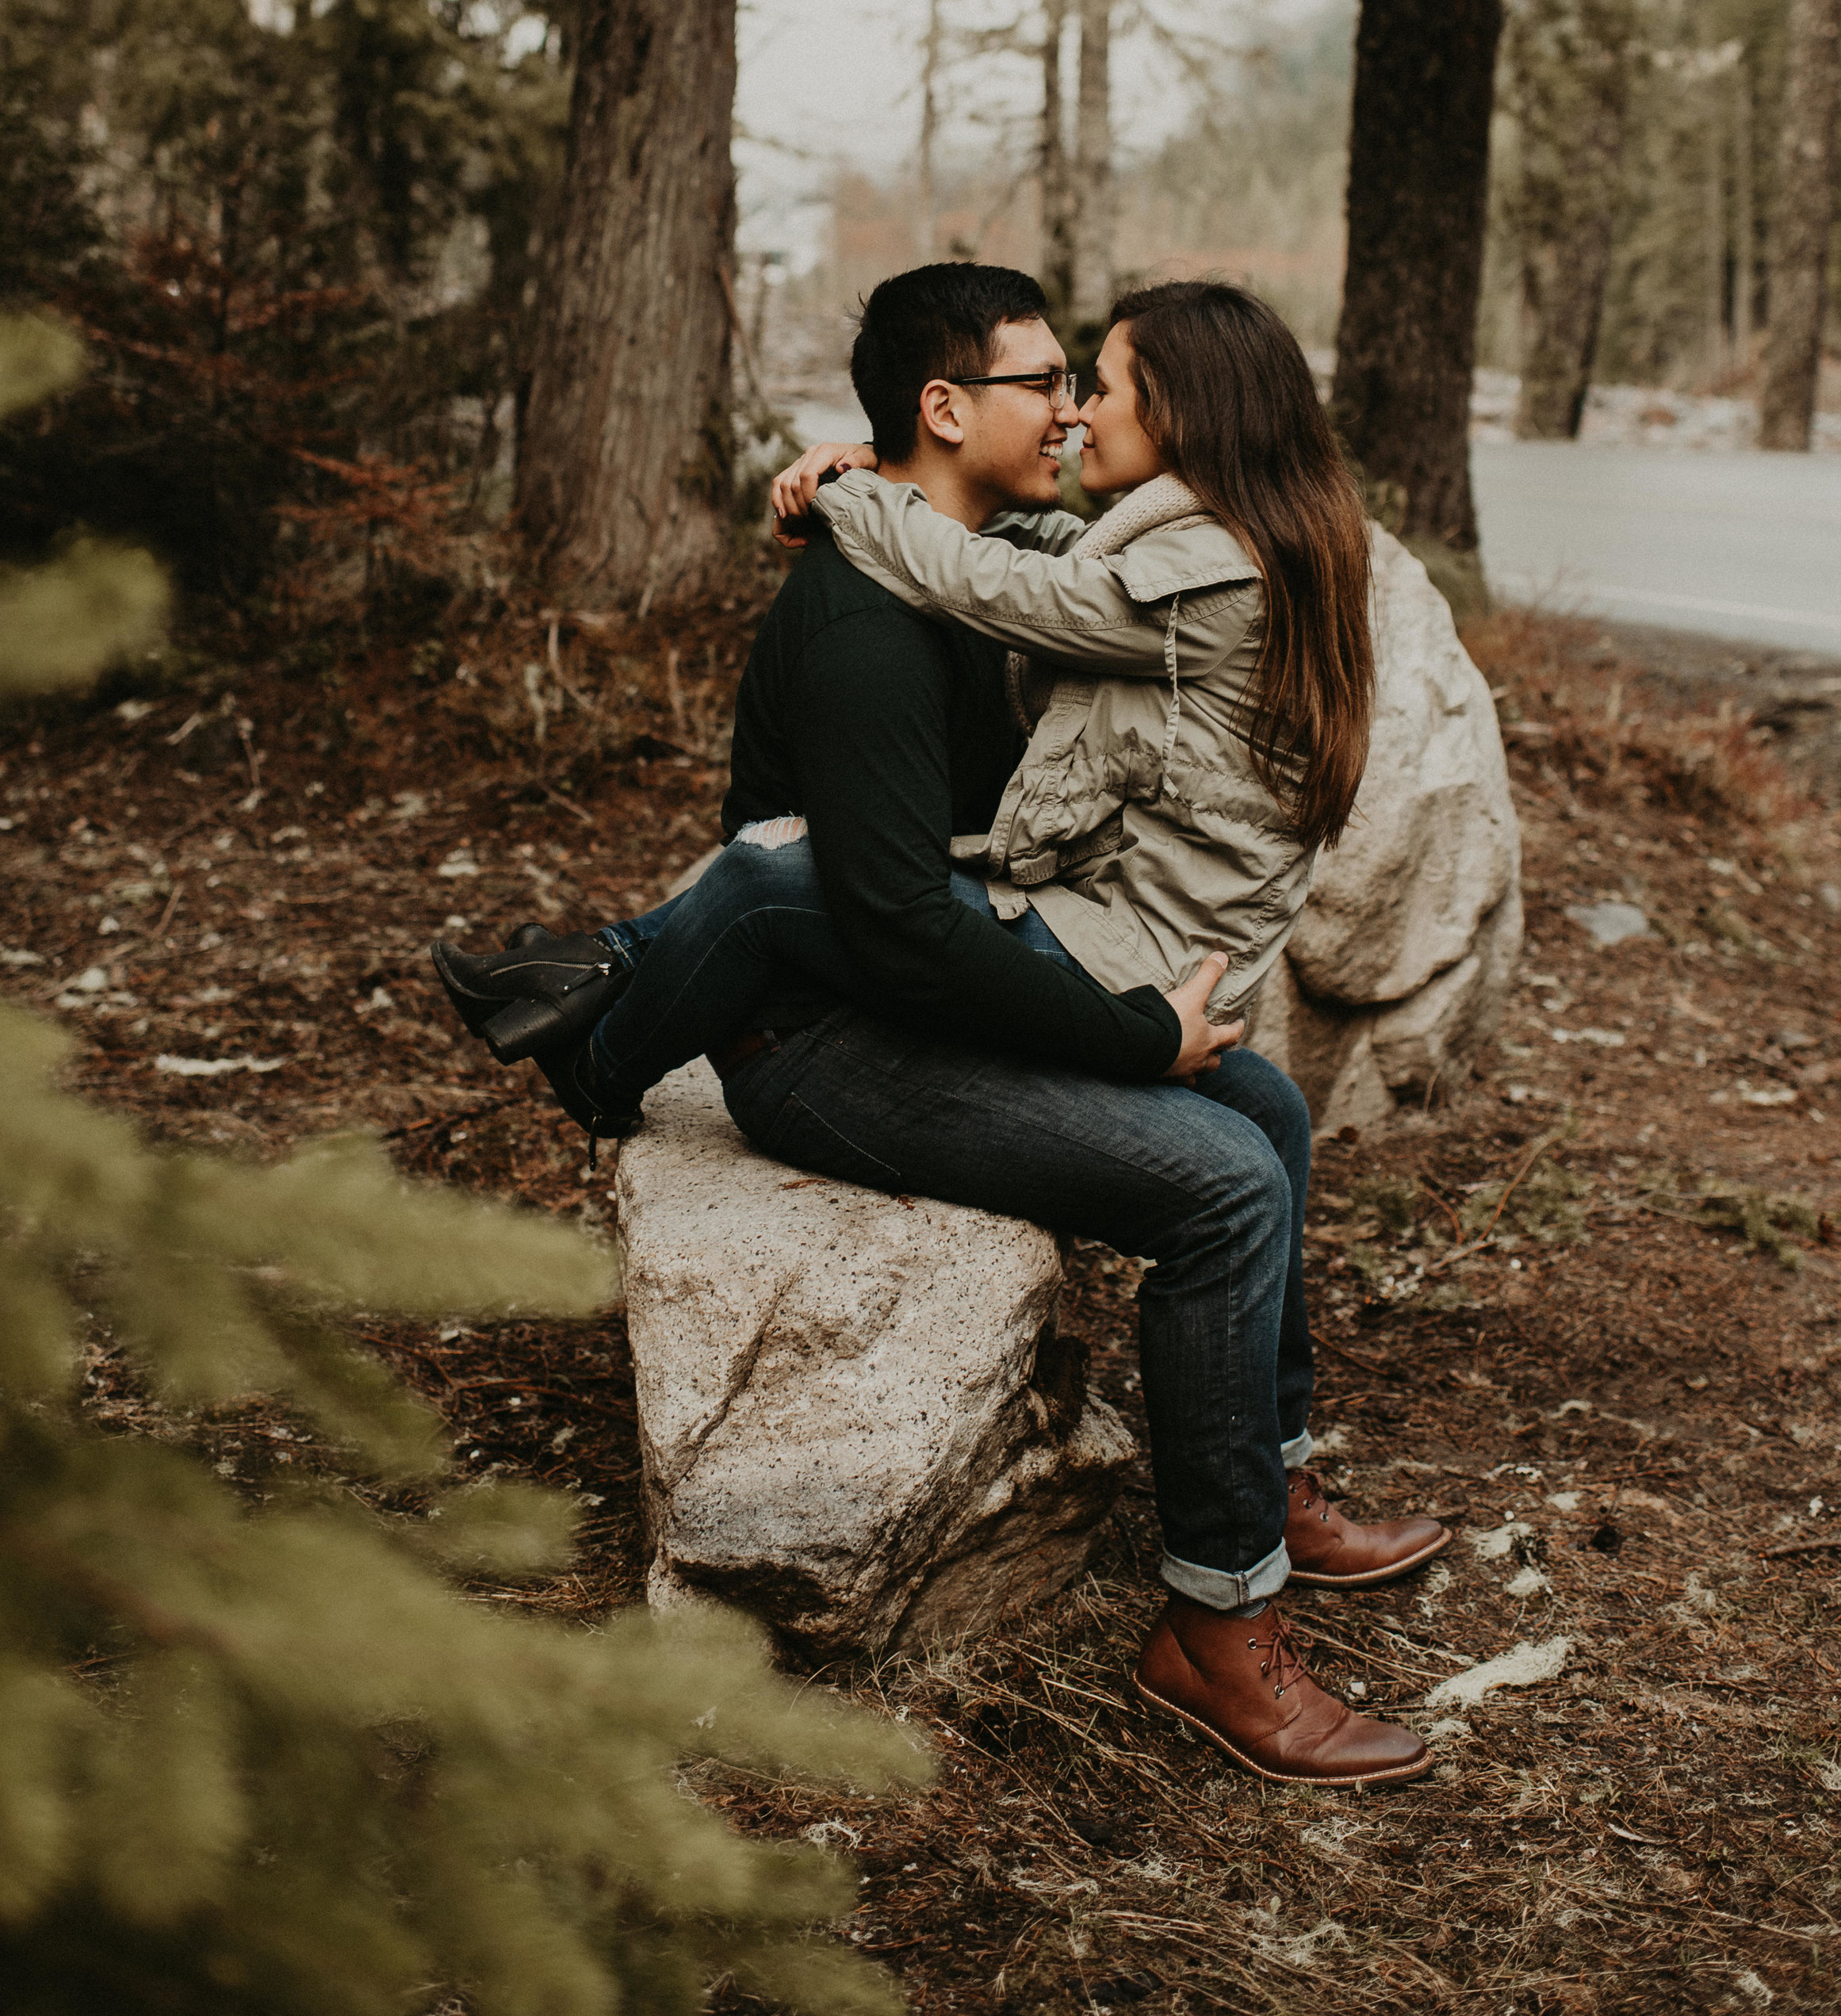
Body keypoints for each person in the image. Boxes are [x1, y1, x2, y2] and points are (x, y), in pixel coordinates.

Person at [435, 264, 1445, 1786]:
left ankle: (1259, 1478)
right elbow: (886, 924)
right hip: (834, 1042)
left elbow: (1009, 710)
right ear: (948, 407)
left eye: (1087, 382)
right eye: (1052, 380)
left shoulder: (1002, 560)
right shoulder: (873, 617)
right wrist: (1125, 1035)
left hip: (939, 971)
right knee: (1224, 1183)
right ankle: (1215, 1628)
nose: (1072, 408)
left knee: (1274, 1117)